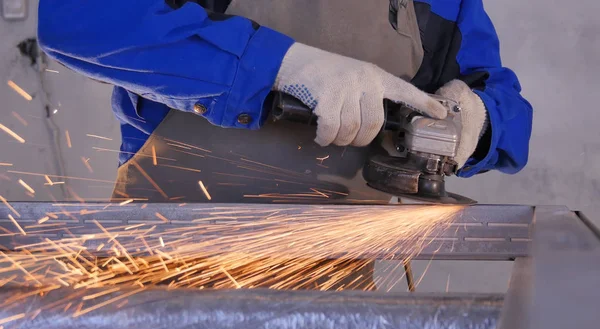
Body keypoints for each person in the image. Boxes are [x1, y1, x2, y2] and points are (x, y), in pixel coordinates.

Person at [37, 0, 532, 203]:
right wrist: (280, 67)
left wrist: (483, 123)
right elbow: (79, 17)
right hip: (169, 250)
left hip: (342, 265)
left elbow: (497, 92)